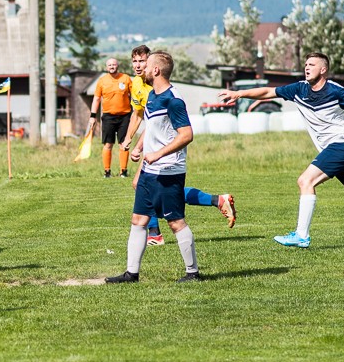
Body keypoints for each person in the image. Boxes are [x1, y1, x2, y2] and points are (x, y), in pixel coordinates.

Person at [219, 52, 344, 250]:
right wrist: (239, 94)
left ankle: (301, 235)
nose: (307, 67)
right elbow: (268, 92)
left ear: (323, 70)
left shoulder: (336, 92)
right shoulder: (299, 89)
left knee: (305, 181)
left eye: (311, 64)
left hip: (341, 147)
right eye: (306, 64)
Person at [122, 44, 236, 246]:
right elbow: (141, 116)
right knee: (149, 188)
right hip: (152, 146)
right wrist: (132, 141)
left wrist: (147, 148)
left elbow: (166, 124)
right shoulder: (138, 84)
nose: (139, 66)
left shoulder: (157, 86)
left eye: (143, 61)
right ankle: (217, 200)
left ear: (154, 66)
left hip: (164, 149)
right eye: (135, 61)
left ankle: (155, 233)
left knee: (148, 187)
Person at [106, 51, 202, 284]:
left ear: (156, 70)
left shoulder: (173, 100)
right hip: (149, 172)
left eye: (147, 65)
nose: (143, 68)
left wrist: (158, 154)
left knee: (175, 222)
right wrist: (139, 147)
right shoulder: (151, 96)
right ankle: (131, 274)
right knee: (138, 219)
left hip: (169, 171)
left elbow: (186, 135)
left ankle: (193, 273)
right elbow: (151, 127)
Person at [90, 58, 133, 178]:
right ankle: (107, 172)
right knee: (108, 144)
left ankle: (123, 171)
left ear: (118, 66)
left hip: (124, 116)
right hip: (108, 116)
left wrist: (137, 111)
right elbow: (96, 99)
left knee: (123, 144)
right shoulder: (102, 81)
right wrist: (92, 116)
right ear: (106, 67)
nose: (112, 67)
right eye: (110, 65)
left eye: (114, 64)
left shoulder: (126, 78)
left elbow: (134, 95)